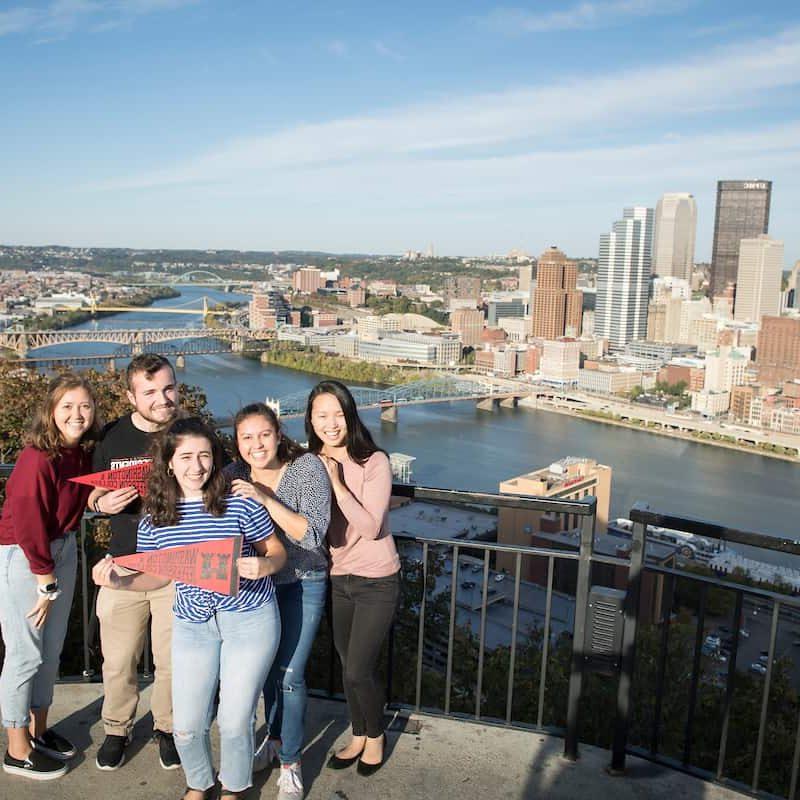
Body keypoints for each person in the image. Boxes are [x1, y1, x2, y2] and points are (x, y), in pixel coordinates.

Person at [93, 417, 286, 800]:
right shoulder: (156, 518)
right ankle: (198, 783)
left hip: (248, 620)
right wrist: (120, 580)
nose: (196, 466)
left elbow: (276, 552)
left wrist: (264, 565)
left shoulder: (238, 502)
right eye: (185, 457)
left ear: (215, 459)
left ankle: (233, 786)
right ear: (168, 462)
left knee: (233, 722)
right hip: (193, 625)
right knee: (186, 724)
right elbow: (157, 578)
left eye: (204, 456)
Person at [224, 402, 331, 800]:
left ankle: (291, 761)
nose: (256, 444)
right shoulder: (232, 474)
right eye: (246, 437)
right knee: (267, 671)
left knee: (290, 675)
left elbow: (311, 535)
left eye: (264, 434)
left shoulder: (307, 469)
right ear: (236, 443)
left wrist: (265, 498)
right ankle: (271, 738)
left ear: (279, 433)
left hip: (304, 580)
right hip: (258, 587)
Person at [0, 373, 100, 780]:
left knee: (51, 650)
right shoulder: (37, 458)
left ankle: (39, 731)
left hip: (59, 552)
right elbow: (26, 521)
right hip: (28, 560)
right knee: (24, 654)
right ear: (52, 411)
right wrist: (44, 578)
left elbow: (77, 495)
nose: (77, 415)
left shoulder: (79, 453)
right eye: (68, 407)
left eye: (85, 407)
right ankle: (16, 747)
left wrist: (98, 496)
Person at [87, 353, 180, 771]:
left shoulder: (192, 434)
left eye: (168, 388)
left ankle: (167, 728)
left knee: (172, 661)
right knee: (118, 660)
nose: (162, 398)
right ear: (131, 396)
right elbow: (88, 494)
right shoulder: (111, 438)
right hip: (123, 567)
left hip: (179, 568)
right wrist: (99, 501)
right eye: (150, 392)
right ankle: (116, 729)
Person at [305, 380, 400, 776]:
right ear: (310, 419)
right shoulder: (307, 461)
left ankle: (375, 736)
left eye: (338, 414)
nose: (331, 424)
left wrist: (337, 483)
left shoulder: (374, 461)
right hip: (337, 577)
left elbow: (372, 526)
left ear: (351, 416)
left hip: (377, 579)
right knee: (348, 667)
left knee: (360, 668)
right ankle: (358, 733)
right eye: (322, 415)